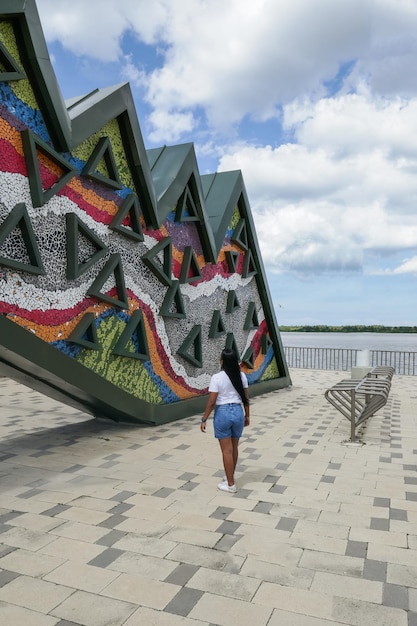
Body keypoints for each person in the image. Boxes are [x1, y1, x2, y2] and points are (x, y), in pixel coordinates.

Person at [200, 348, 250, 493]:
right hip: (238, 412)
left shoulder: (217, 377)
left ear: (222, 360)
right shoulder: (241, 376)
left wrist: (204, 419)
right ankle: (230, 476)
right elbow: (246, 399)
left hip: (223, 413)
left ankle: (230, 484)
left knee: (226, 451)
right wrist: (247, 416)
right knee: (234, 448)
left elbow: (211, 401)